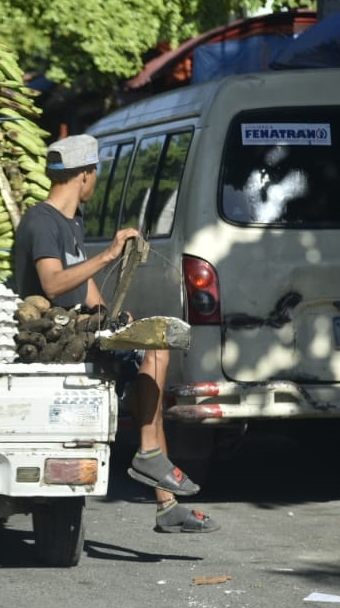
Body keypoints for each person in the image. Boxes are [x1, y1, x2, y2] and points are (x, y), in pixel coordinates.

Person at [12, 133, 220, 534]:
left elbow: (83, 285)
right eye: (94, 174)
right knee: (155, 357)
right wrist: (109, 254)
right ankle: (150, 458)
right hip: (54, 340)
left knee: (150, 373)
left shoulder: (71, 222)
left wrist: (111, 318)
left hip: (81, 327)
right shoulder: (41, 221)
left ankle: (165, 500)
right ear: (85, 175)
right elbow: (53, 284)